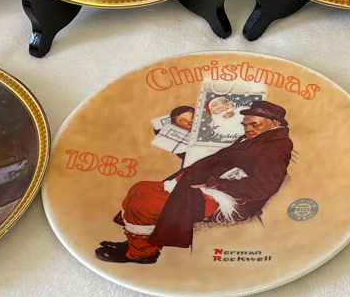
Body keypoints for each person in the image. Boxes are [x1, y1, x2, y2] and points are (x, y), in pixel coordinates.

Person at [98, 101, 294, 264]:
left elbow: (262, 187)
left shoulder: (275, 148)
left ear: (275, 124)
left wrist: (215, 183)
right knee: (139, 188)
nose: (248, 129)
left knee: (144, 205)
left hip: (221, 198)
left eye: (254, 124)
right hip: (201, 186)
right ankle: (136, 241)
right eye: (245, 124)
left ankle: (141, 254)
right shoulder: (258, 139)